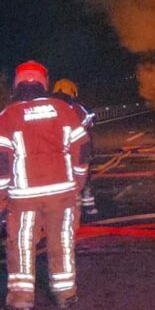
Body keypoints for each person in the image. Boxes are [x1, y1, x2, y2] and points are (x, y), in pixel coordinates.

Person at [0, 61, 91, 310]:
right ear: (44, 83)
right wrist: (78, 181)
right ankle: (65, 294)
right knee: (62, 242)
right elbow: (82, 148)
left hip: (24, 197)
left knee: (22, 245)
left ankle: (22, 302)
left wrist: (1, 196)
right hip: (62, 193)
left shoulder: (7, 116)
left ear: (17, 82)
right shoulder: (63, 109)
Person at [52, 78, 97, 215]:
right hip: (76, 151)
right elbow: (86, 127)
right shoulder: (77, 108)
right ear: (72, 91)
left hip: (54, 153)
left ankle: (67, 208)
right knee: (83, 177)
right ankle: (88, 206)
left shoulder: (48, 106)